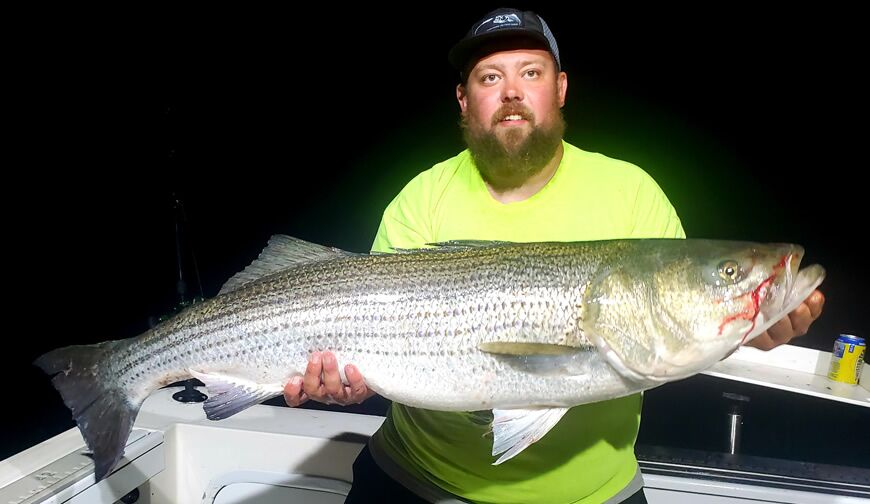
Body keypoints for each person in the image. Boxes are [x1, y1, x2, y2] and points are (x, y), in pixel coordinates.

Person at [284, 7, 826, 503]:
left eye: (531, 73)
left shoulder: (632, 192)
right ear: (464, 99)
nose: (511, 91)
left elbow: (674, 332)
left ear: (560, 88)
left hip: (594, 495)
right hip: (417, 482)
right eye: (490, 77)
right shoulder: (420, 198)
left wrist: (750, 328)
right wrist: (342, 381)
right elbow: (357, 348)